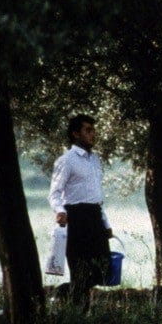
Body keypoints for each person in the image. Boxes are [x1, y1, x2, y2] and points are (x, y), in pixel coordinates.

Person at [48, 114, 112, 310]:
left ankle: (63, 293)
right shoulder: (66, 160)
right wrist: (60, 211)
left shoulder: (94, 160)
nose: (93, 134)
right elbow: (54, 193)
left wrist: (106, 224)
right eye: (88, 130)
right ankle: (78, 316)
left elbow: (97, 196)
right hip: (75, 218)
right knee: (80, 271)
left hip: (94, 217)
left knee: (104, 270)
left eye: (93, 130)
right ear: (76, 134)